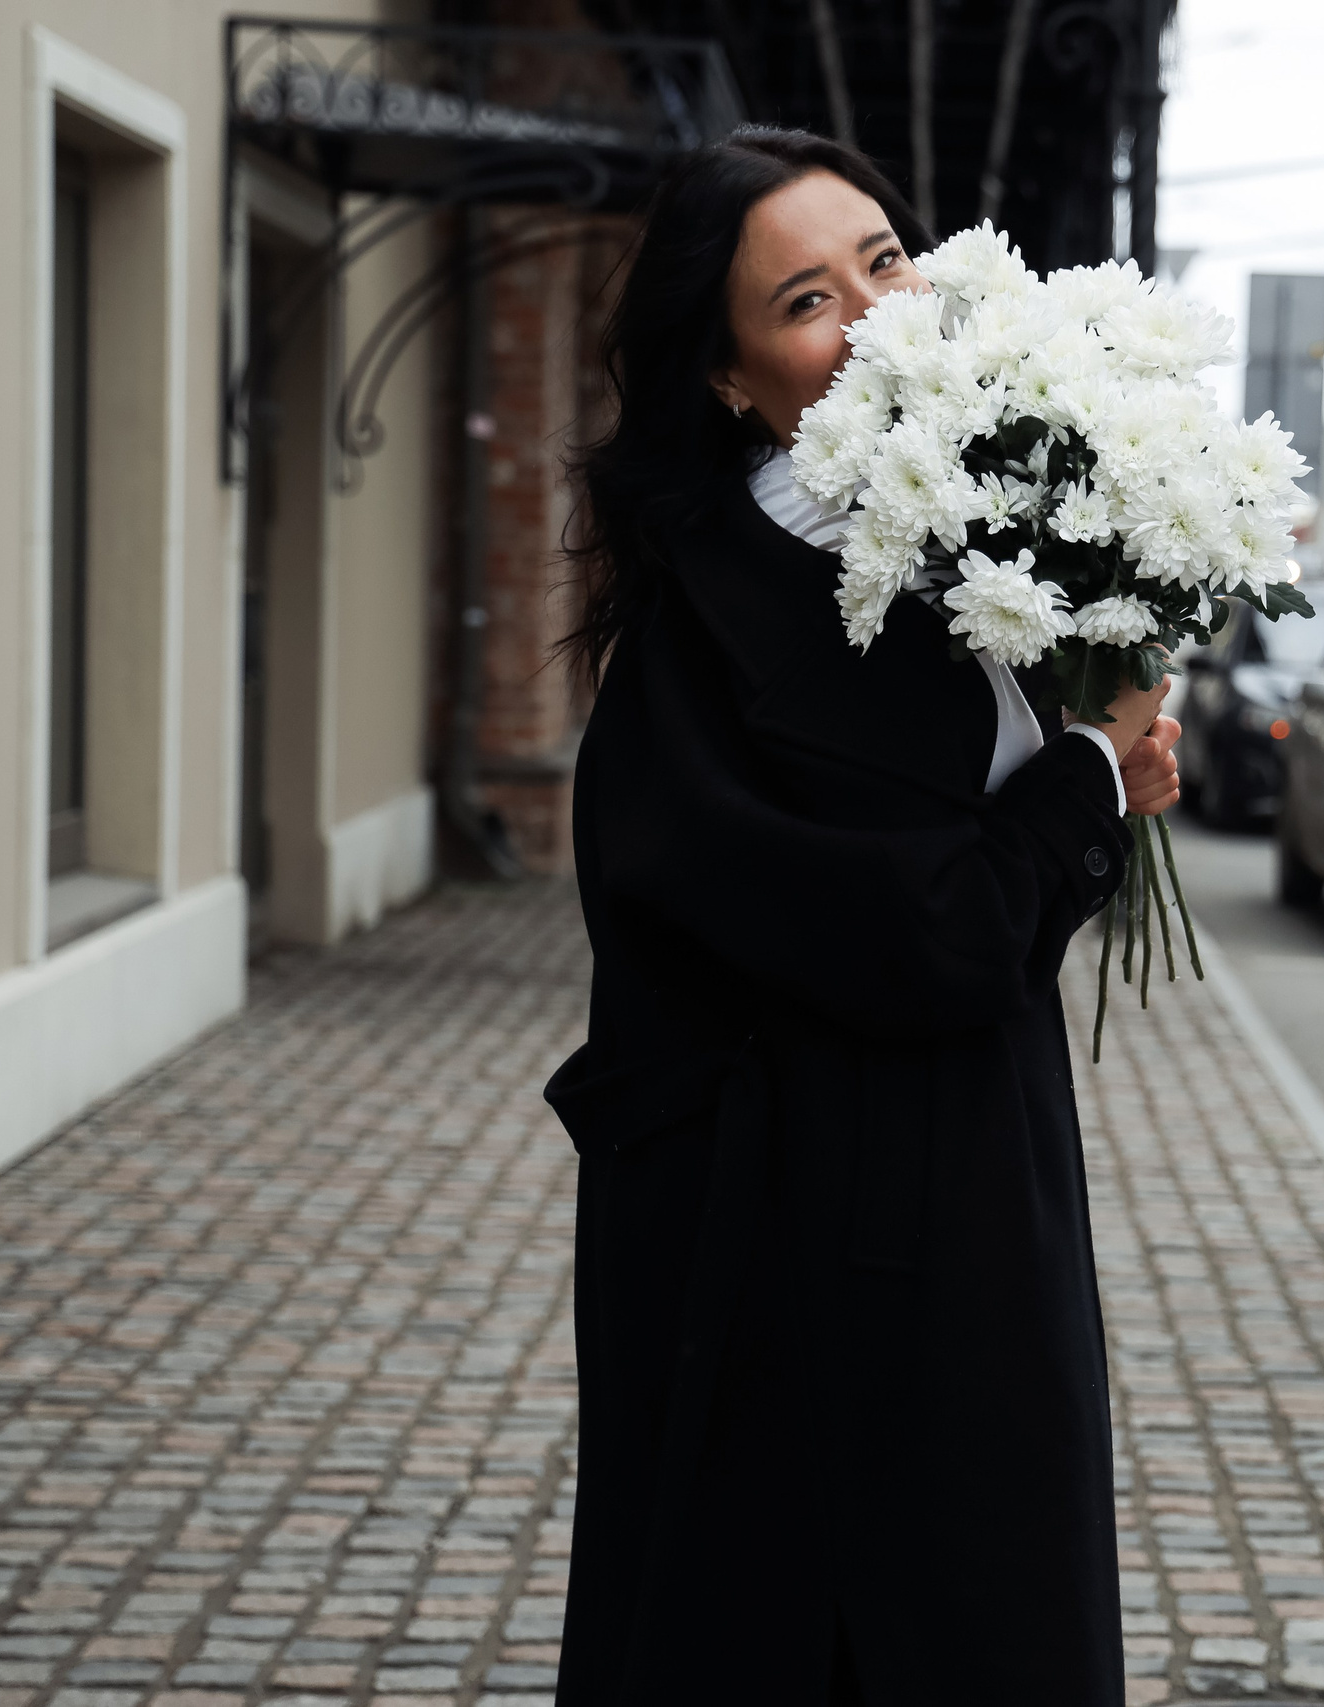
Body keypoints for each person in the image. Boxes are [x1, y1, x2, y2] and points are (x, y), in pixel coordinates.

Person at [545, 127, 1181, 1706]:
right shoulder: (708, 642)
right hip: (778, 1260)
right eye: (808, 302)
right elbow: (919, 932)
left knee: (973, 1611)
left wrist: (1101, 764)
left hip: (960, 1190)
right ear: (731, 377)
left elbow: (972, 909)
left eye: (886, 261)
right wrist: (1087, 789)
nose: (877, 315)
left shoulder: (955, 546)